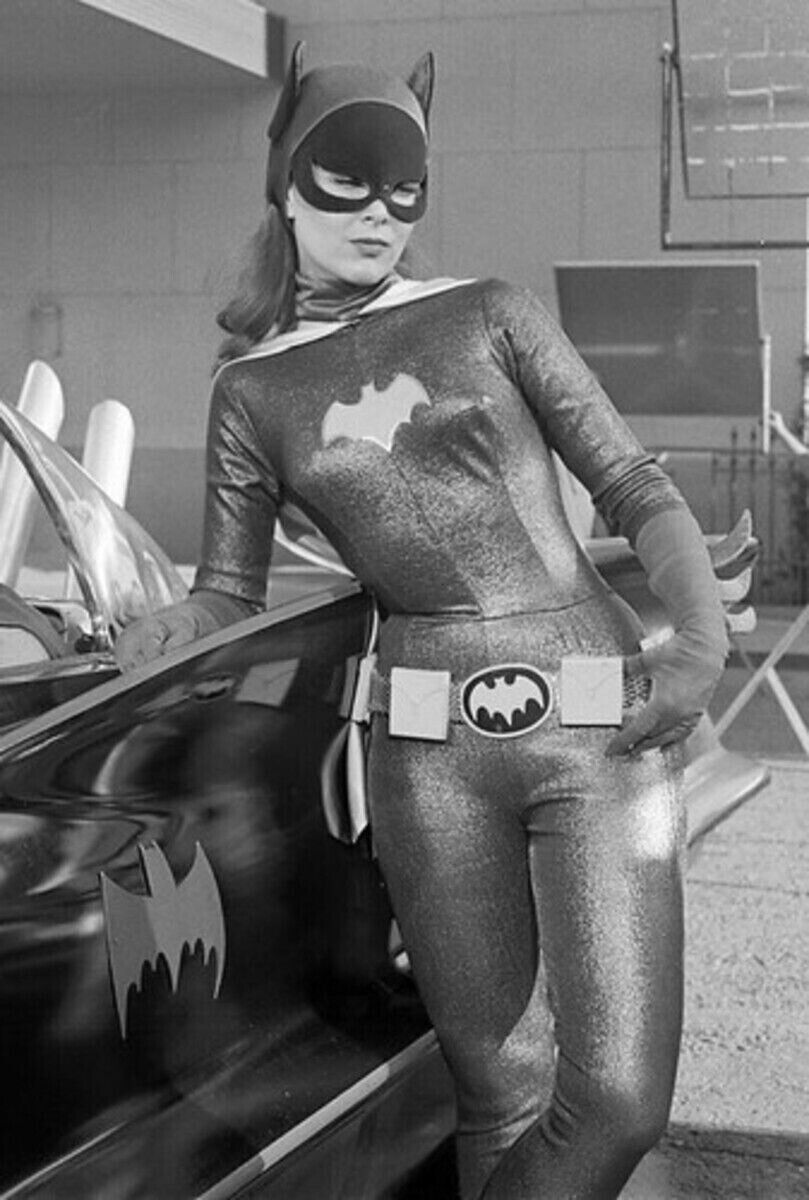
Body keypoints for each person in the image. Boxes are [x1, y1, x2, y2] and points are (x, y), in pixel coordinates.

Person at [116, 45, 731, 1200]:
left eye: (403, 190)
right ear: (286, 189)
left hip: (597, 723)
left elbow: (629, 481)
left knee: (614, 1103)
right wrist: (163, 629)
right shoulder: (252, 390)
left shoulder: (488, 313)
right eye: (344, 183)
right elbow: (230, 590)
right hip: (422, 750)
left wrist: (697, 639)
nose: (377, 214)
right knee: (499, 1094)